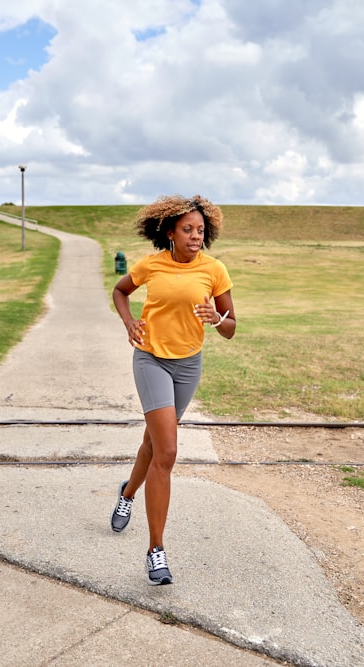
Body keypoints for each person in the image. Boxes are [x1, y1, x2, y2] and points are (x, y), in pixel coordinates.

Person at [110, 194, 236, 585]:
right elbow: (120, 291)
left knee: (153, 443)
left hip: (188, 364)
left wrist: (217, 318)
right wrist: (129, 322)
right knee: (167, 450)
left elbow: (232, 327)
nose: (196, 236)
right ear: (170, 232)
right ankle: (155, 552)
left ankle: (128, 491)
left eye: (200, 230)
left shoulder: (214, 270)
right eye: (188, 229)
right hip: (150, 360)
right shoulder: (151, 265)